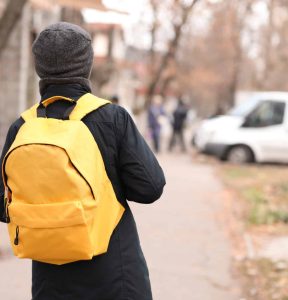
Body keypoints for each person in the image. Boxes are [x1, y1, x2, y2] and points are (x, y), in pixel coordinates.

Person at [0, 22, 165, 300]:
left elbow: (5, 206)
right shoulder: (112, 118)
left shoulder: (23, 127)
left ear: (39, 67)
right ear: (86, 65)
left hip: (49, 281)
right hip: (114, 275)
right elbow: (150, 188)